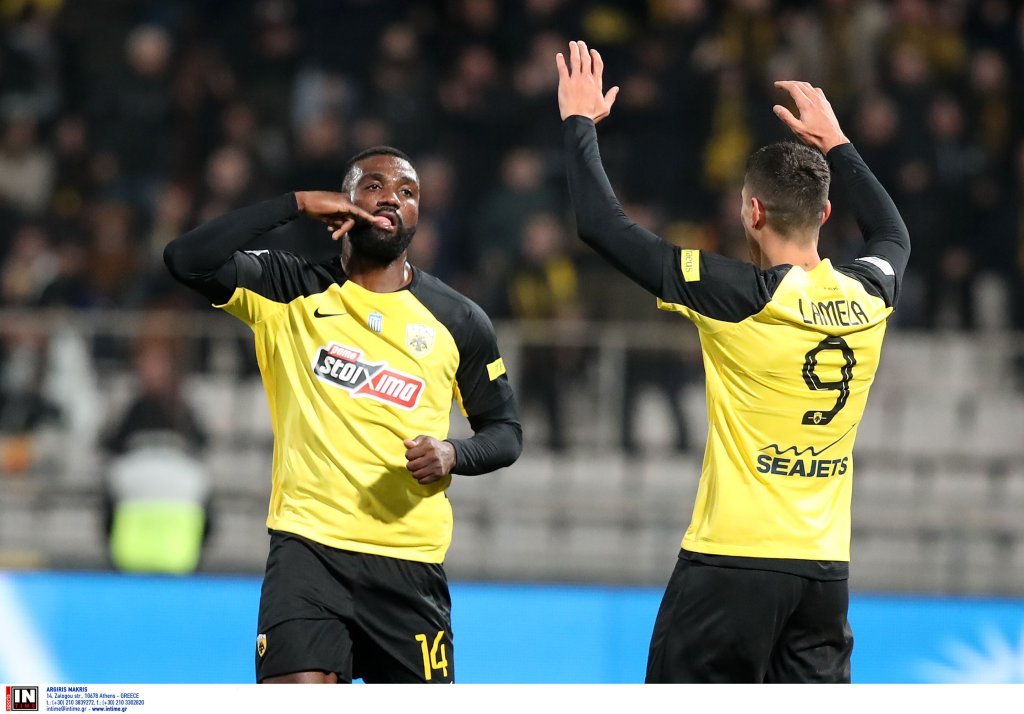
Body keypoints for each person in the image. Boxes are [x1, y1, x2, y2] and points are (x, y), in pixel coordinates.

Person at [556, 41, 909, 683]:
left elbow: (603, 227)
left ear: (752, 211)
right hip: (823, 573)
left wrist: (579, 122)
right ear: (826, 213)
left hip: (731, 562)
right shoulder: (870, 294)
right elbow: (892, 234)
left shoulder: (740, 296)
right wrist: (837, 143)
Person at [164, 146, 522, 683]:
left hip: (409, 563)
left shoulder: (459, 319)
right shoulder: (288, 287)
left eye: (407, 192)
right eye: (374, 185)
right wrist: (295, 204)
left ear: (418, 215)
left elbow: (506, 433)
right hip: (308, 552)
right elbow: (186, 258)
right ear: (344, 202)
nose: (391, 198)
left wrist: (453, 453)